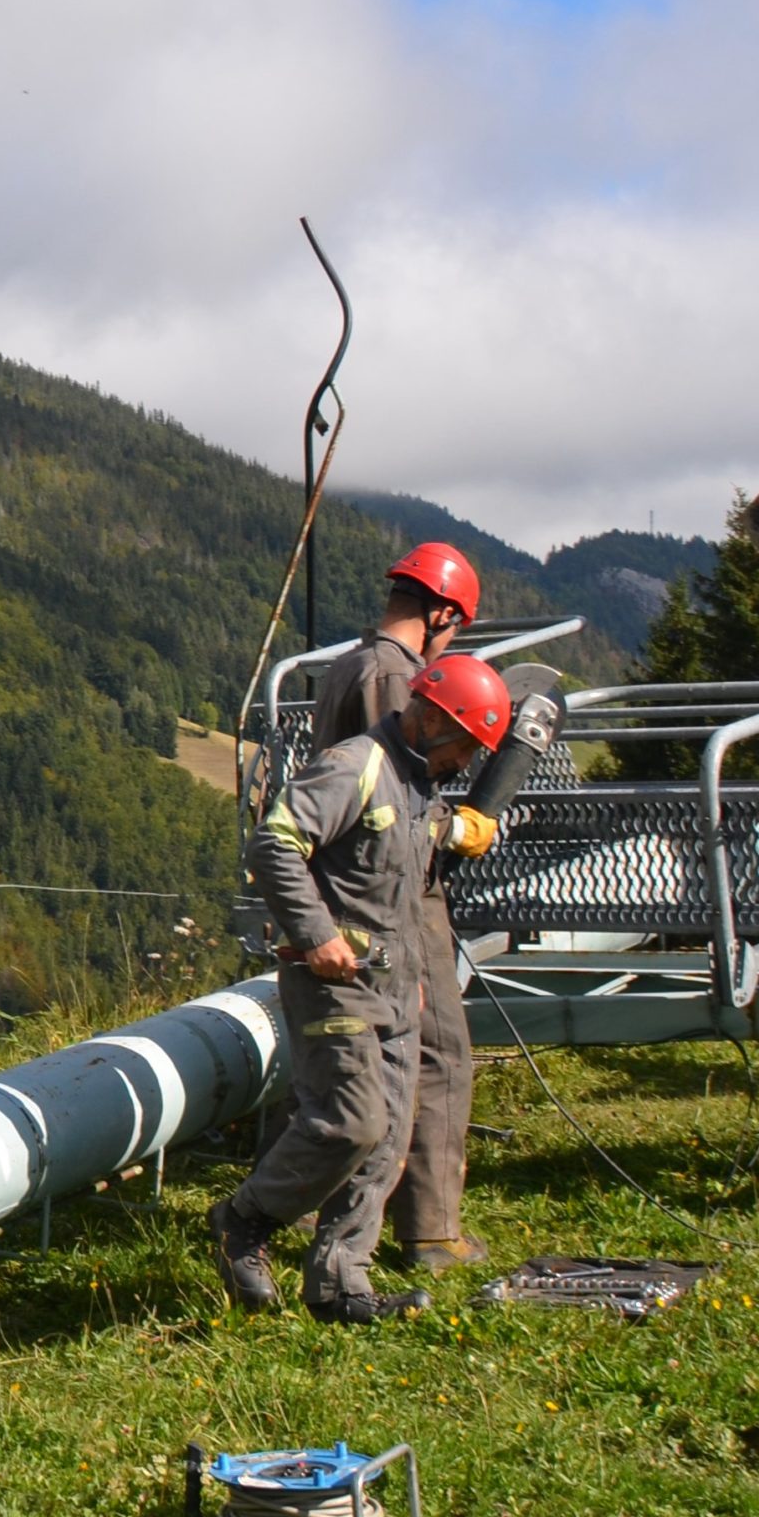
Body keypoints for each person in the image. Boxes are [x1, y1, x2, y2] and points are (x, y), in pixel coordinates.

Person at [212, 654, 510, 1322]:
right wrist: (317, 934)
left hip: (397, 990)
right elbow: (275, 844)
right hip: (334, 982)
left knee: (389, 1140)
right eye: (466, 743)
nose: (466, 760)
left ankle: (341, 1283)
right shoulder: (355, 767)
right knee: (352, 1122)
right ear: (432, 718)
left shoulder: (420, 786)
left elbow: (410, 868)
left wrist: (460, 832)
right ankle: (245, 1219)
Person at [309, 543, 488, 1276]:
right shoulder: (392, 675)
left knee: (357, 1055)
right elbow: (397, 789)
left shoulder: (349, 663)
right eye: (458, 625)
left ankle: (332, 1220)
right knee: (436, 1051)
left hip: (352, 887)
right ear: (442, 611)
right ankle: (430, 1231)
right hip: (394, 892)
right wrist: (454, 828)